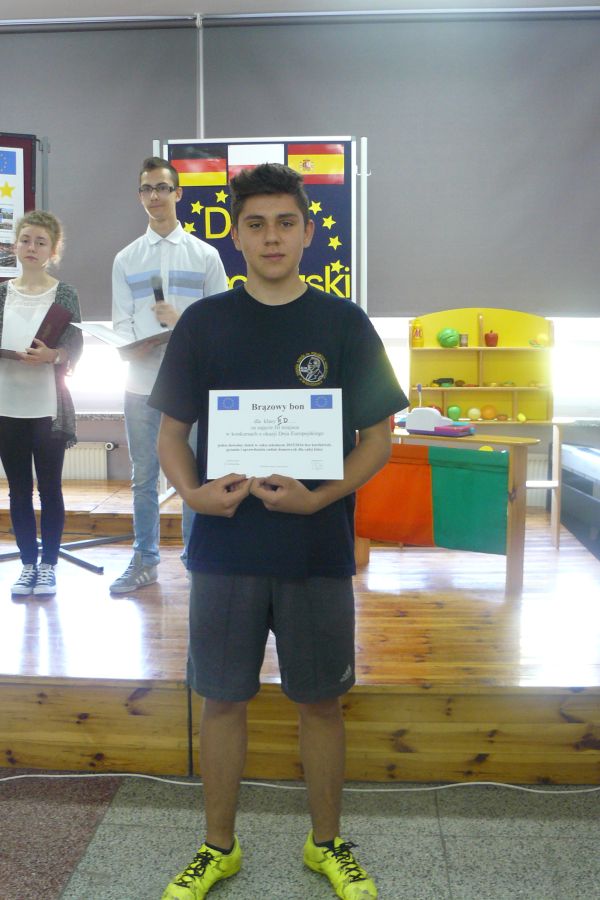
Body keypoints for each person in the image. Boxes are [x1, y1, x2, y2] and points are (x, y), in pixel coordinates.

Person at [150, 163, 407, 900]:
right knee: (221, 700)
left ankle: (326, 844)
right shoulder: (205, 323)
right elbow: (172, 435)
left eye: (285, 223)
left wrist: (320, 498)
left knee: (320, 702)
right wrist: (192, 494)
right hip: (225, 549)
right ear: (235, 236)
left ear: (306, 232)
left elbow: (378, 439)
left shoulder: (343, 323)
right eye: (256, 224)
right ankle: (218, 848)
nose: (271, 237)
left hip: (315, 549)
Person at [110, 157, 228, 594]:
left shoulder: (205, 255)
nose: (154, 196)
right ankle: (145, 560)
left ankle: (197, 560)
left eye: (162, 188)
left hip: (190, 387)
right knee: (143, 477)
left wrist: (182, 323)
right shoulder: (126, 258)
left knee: (193, 476)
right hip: (141, 384)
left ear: (178, 193)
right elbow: (120, 322)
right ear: (140, 196)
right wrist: (133, 343)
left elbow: (221, 324)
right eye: (147, 189)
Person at [0, 210, 83, 597]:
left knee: (50, 488)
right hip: (7, 404)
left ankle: (49, 565)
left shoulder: (64, 293)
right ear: (15, 245)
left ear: (53, 250)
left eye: (40, 242)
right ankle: (27, 564)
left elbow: (75, 346)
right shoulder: (3, 292)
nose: (31, 247)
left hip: (48, 406)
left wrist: (54, 356)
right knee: (18, 490)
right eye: (25, 240)